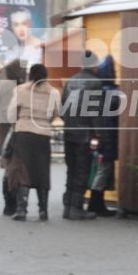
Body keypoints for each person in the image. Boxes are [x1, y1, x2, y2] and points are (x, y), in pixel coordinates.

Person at [7, 62, 59, 221]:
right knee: (42, 171)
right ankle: (43, 211)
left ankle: (22, 210)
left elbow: (10, 114)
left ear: (30, 74)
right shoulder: (54, 93)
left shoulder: (20, 90)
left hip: (23, 133)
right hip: (43, 134)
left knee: (23, 170)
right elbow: (56, 113)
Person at [59, 53, 104, 220]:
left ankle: (67, 207)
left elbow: (63, 109)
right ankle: (76, 208)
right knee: (82, 171)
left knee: (71, 170)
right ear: (93, 65)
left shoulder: (70, 80)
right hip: (85, 134)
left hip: (68, 132)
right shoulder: (95, 83)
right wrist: (99, 133)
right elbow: (96, 112)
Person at [86, 54, 120, 216]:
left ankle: (96, 203)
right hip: (108, 138)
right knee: (104, 170)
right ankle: (96, 204)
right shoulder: (113, 93)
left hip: (100, 136)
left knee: (102, 169)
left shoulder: (97, 91)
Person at [0, 59, 26, 215]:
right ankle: (10, 203)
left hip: (7, 129)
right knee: (11, 168)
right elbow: (10, 112)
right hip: (9, 131)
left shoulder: (8, 84)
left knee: (11, 168)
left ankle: (11, 203)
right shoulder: (10, 85)